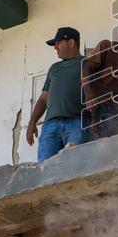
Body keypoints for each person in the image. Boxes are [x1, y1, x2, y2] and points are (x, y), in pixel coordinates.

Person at [27, 26, 90, 163]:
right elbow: (43, 99)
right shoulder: (54, 68)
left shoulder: (87, 63)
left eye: (58, 43)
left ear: (71, 43)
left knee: (76, 166)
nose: (55, 48)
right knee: (45, 168)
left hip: (78, 122)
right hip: (50, 126)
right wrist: (32, 122)